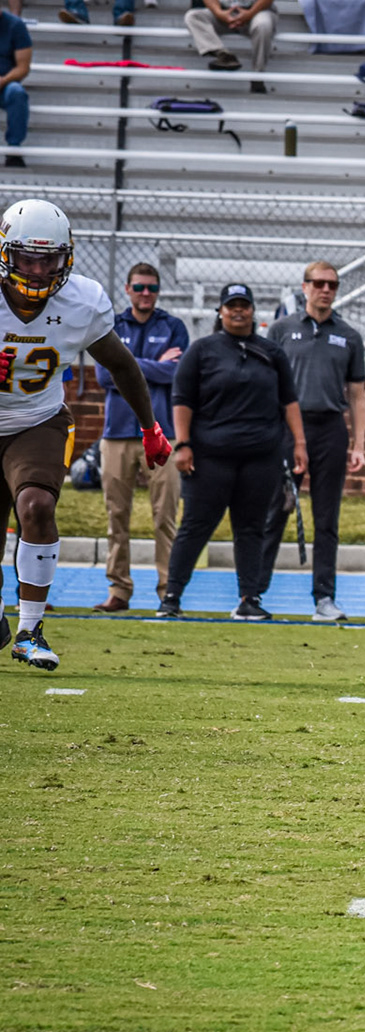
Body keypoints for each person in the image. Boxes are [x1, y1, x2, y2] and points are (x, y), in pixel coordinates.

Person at [0, 198, 162, 670]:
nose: (37, 270)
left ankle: (30, 630)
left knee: (37, 506)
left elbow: (122, 365)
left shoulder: (82, 301)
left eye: (48, 260)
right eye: (27, 258)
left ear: (65, 258)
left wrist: (150, 427)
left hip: (37, 419)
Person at [161, 283, 305, 622]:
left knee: (252, 527)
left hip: (260, 456)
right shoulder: (202, 350)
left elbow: (289, 401)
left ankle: (249, 598)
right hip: (210, 455)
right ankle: (171, 597)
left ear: (253, 311)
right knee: (196, 525)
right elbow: (182, 400)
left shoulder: (271, 352)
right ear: (221, 311)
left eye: (244, 305)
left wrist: (299, 443)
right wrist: (183, 444)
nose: (238, 311)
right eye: (231, 305)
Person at [266, 259, 365, 622]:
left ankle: (324, 598)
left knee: (327, 518)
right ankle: (252, 593)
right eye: (319, 283)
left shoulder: (349, 336)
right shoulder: (281, 330)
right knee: (275, 510)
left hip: (330, 430)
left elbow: (357, 395)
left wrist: (359, 444)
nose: (326, 290)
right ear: (305, 287)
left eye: (332, 285)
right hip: (287, 429)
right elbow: (266, 384)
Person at [92, 261, 188, 612]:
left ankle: (168, 591)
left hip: (163, 434)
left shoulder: (174, 327)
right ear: (127, 289)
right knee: (116, 515)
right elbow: (105, 375)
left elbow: (177, 374)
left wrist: (128, 364)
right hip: (117, 434)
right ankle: (119, 589)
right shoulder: (112, 325)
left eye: (152, 288)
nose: (146, 293)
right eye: (139, 287)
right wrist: (153, 364)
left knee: (165, 516)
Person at [185, 0, 277, 90]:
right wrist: (219, 13)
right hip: (223, 11)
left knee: (263, 25)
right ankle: (222, 54)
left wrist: (249, 14)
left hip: (257, 11)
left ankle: (258, 75)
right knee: (193, 16)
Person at [0, 6, 30, 167]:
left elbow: (23, 68)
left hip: (5, 84)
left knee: (17, 93)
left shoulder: (15, 25)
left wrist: (4, 80)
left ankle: (14, 149)